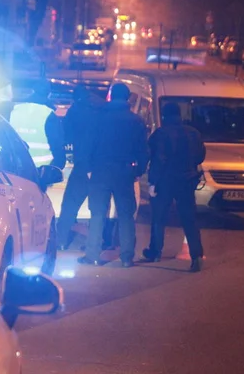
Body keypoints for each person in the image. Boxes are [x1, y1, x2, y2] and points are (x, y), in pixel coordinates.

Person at [78, 83, 148, 267]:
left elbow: (87, 146)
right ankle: (126, 257)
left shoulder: (97, 118)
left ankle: (92, 255)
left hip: (100, 170)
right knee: (126, 215)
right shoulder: (136, 121)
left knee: (98, 213)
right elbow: (143, 150)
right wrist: (138, 171)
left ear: (110, 96)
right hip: (124, 171)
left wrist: (88, 167)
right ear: (127, 98)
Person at [142, 102, 206, 272]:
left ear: (164, 116)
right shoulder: (193, 133)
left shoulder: (160, 134)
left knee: (159, 217)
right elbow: (200, 157)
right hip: (187, 180)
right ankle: (197, 255)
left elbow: (158, 160)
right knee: (189, 219)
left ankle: (155, 251)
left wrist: (152, 183)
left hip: (165, 181)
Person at [56, 84, 98, 250]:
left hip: (82, 165)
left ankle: (61, 241)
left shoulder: (74, 112)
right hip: (99, 166)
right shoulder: (98, 112)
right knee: (98, 209)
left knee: (69, 205)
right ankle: (96, 244)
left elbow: (67, 135)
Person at [9, 80, 66, 170]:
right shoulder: (49, 115)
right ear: (49, 94)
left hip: (14, 168)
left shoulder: (14, 111)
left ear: (32, 91)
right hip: (40, 171)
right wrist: (57, 167)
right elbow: (57, 145)